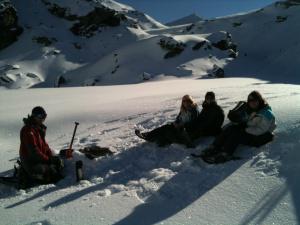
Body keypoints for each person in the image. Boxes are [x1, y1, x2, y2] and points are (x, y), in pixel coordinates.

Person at [200, 91, 276, 163]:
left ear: (259, 100)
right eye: (250, 101)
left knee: (237, 133)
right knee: (230, 128)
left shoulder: (267, 113)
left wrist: (245, 129)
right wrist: (236, 121)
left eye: (255, 100)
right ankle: (214, 147)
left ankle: (226, 154)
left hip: (261, 137)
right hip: (251, 132)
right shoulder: (253, 110)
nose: (252, 103)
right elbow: (245, 121)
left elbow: (261, 130)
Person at [19, 106, 64, 187]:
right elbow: (34, 152)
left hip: (39, 159)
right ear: (34, 116)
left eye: (44, 116)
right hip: (30, 161)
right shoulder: (28, 131)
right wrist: (48, 160)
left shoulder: (38, 128)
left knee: (57, 165)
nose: (43, 119)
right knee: (48, 173)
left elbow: (44, 145)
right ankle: (25, 172)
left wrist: (50, 156)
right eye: (40, 116)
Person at [135, 95, 201, 148]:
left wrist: (182, 125)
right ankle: (148, 135)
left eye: (188, 100)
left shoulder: (194, 110)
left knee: (167, 131)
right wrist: (176, 123)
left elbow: (194, 123)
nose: (186, 102)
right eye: (184, 101)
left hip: (186, 131)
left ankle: (151, 137)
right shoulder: (183, 110)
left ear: (191, 101)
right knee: (166, 127)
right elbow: (178, 119)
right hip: (180, 127)